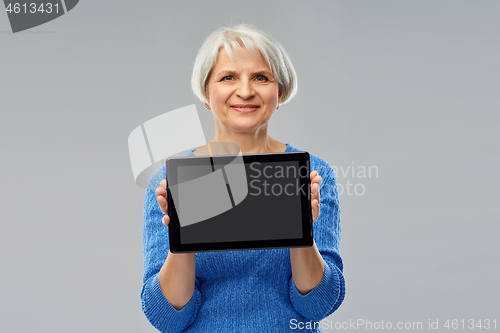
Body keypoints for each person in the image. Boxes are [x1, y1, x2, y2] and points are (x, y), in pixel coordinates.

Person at [141, 24, 345, 332]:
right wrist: (180, 239)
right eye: (228, 77)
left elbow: (317, 306)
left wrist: (303, 232)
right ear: (207, 93)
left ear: (280, 92)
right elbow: (168, 319)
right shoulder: (171, 181)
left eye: (261, 77)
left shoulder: (314, 173)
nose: (246, 90)